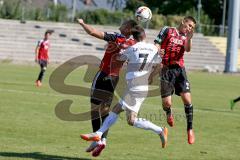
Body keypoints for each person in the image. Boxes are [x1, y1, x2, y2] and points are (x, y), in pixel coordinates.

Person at [80, 26, 168, 151]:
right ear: (144, 36)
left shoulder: (132, 48)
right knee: (131, 120)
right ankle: (160, 130)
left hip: (135, 87)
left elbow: (118, 58)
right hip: (141, 86)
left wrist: (121, 49)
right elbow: (160, 63)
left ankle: (98, 134)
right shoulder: (154, 48)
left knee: (116, 110)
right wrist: (151, 76)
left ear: (134, 38)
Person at [77, 18, 138, 157]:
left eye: (123, 24)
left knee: (94, 109)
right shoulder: (134, 44)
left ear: (128, 28)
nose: (120, 25)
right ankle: (103, 140)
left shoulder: (116, 37)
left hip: (103, 74)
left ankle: (96, 138)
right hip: (115, 78)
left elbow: (92, 32)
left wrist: (82, 23)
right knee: (105, 110)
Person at [149, 16, 196, 144]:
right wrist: (159, 51)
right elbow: (156, 43)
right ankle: (169, 113)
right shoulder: (167, 30)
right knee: (167, 103)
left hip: (179, 70)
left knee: (187, 100)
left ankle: (190, 129)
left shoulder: (186, 37)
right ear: (183, 22)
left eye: (192, 27)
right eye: (189, 25)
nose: (190, 28)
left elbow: (187, 49)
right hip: (165, 70)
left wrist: (190, 38)